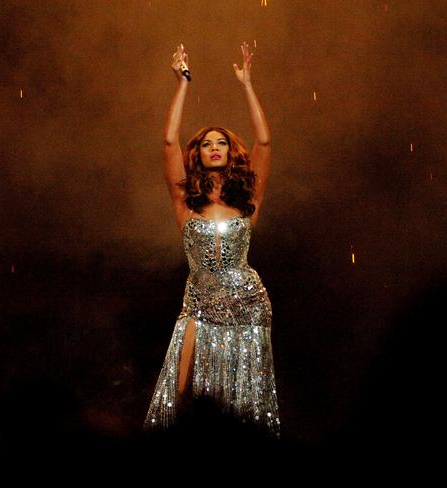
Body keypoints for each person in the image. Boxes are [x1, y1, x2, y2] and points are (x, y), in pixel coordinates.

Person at [143, 42, 280, 439]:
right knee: (180, 395)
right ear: (198, 153)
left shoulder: (248, 198)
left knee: (244, 404)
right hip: (199, 306)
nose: (214, 148)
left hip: (249, 306)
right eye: (206, 143)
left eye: (221, 142)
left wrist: (248, 85)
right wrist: (182, 83)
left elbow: (265, 144)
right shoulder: (185, 201)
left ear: (230, 151)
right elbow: (169, 143)